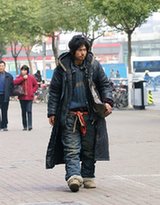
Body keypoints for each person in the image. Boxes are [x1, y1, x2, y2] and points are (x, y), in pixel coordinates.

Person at [46, 35, 113, 192]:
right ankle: (74, 177)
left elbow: (104, 84)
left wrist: (108, 101)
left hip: (90, 115)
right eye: (79, 50)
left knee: (89, 148)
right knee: (71, 148)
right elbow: (54, 92)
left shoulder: (93, 65)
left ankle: (88, 175)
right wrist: (52, 112)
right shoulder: (62, 67)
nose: (82, 53)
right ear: (72, 51)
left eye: (85, 49)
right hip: (68, 115)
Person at [14, 65, 38, 131]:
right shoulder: (19, 77)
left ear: (27, 71)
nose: (24, 71)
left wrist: (32, 91)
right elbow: (14, 82)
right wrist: (22, 78)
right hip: (22, 97)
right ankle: (25, 126)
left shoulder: (31, 77)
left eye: (25, 70)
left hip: (29, 97)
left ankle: (30, 125)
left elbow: (36, 85)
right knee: (23, 111)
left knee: (29, 111)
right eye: (22, 70)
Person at [0, 60, 13, 131]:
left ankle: (4, 125)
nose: (1, 67)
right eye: (0, 66)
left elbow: (12, 86)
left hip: (5, 96)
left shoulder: (9, 76)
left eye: (2, 66)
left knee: (4, 111)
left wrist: (9, 94)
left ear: (4, 66)